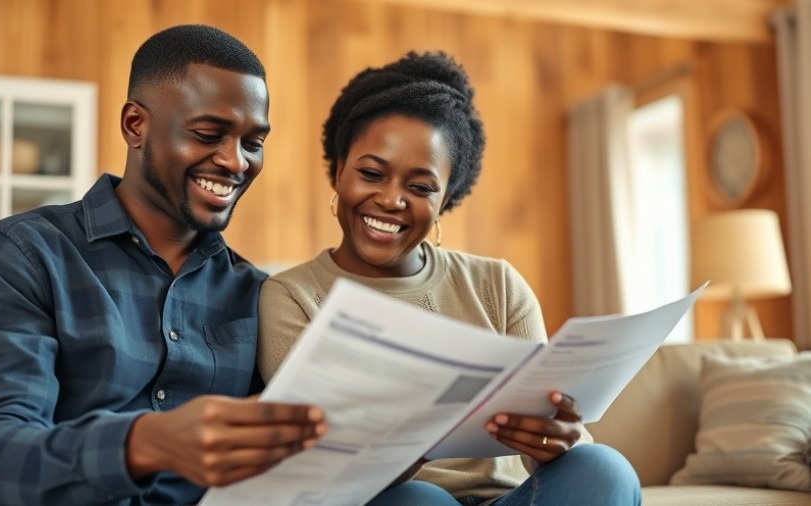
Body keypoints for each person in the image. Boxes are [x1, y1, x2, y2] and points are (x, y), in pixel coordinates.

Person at [0, 24, 326, 506]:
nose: (235, 162)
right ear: (135, 125)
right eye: (208, 134)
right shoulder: (22, 253)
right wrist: (146, 444)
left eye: (253, 143)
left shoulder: (256, 292)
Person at [257, 51, 642, 505]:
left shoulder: (497, 286)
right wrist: (413, 441)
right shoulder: (292, 297)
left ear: (445, 199)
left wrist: (559, 438)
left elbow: (552, 451)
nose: (391, 200)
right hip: (394, 499)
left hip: (509, 499)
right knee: (422, 501)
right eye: (372, 173)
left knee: (605, 469)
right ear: (339, 172)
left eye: (421, 187)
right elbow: (319, 468)